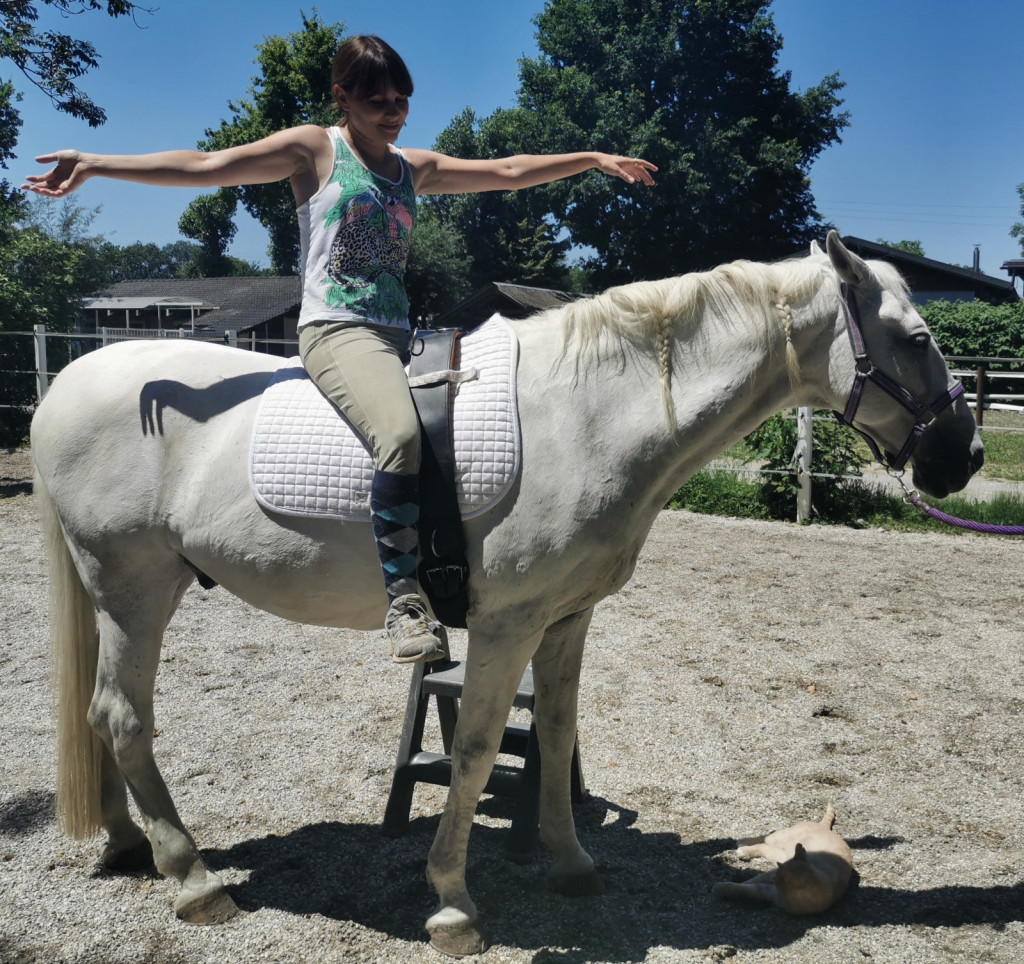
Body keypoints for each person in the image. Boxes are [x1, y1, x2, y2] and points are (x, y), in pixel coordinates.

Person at [23, 34, 657, 664]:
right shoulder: (314, 150)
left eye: (402, 99)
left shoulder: (414, 168)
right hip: (337, 331)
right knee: (400, 437)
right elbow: (207, 166)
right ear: (342, 98)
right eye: (378, 99)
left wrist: (591, 158)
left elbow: (510, 172)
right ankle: (405, 600)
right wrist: (101, 163)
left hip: (403, 336)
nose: (394, 111)